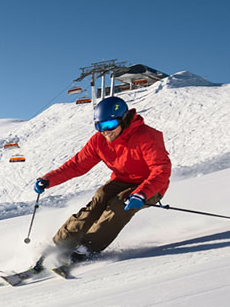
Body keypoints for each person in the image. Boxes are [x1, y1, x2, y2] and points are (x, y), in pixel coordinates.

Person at [33, 96, 171, 264]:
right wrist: (48, 180)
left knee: (119, 204)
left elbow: (161, 170)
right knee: (101, 196)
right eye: (100, 126)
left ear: (124, 119)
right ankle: (59, 245)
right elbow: (76, 165)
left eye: (110, 125)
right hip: (122, 180)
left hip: (151, 185)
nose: (106, 131)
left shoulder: (147, 136)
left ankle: (86, 248)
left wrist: (142, 194)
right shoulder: (99, 141)